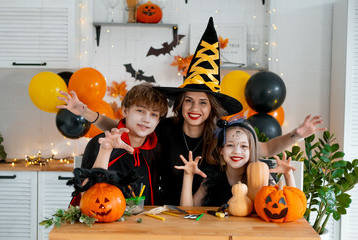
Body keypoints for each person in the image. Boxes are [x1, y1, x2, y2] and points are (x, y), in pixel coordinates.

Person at [58, 17, 325, 206]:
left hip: (212, 212)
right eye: (189, 101)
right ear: (180, 103)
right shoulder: (164, 128)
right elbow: (121, 128)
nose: (195, 108)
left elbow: (263, 150)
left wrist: (297, 134)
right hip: (166, 211)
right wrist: (87, 113)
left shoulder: (222, 135)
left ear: (212, 109)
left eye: (203, 102)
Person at [58, 83, 169, 205]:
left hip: (147, 219)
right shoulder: (100, 143)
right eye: (140, 110)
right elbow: (87, 193)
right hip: (103, 216)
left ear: (158, 121)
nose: (146, 119)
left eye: (154, 114)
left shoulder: (157, 148)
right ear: (125, 111)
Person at [176, 117, 296, 207]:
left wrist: (288, 176)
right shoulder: (212, 177)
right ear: (221, 150)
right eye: (230, 145)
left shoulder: (261, 174)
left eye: (243, 146)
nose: (236, 151)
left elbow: (286, 207)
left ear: (251, 150)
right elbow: (187, 210)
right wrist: (188, 175)